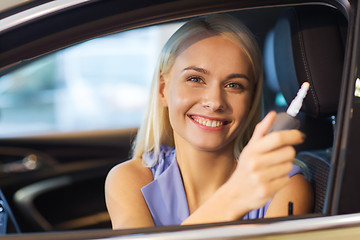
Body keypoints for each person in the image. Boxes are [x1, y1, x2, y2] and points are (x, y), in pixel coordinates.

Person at [105, 14, 313, 229]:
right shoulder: (129, 180)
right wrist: (235, 196)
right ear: (162, 90)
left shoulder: (285, 186)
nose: (214, 102)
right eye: (195, 79)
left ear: (250, 101)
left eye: (234, 85)